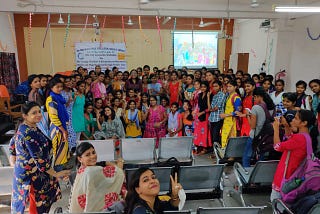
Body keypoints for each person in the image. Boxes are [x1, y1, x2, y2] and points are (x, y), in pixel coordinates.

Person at [10, 102, 70, 214]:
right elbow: (40, 161)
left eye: (39, 111)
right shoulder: (29, 133)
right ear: (25, 116)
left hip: (26, 175)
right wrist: (56, 174)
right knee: (35, 208)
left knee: (30, 207)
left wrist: (18, 167)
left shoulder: (25, 128)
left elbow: (12, 150)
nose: (38, 114)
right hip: (33, 178)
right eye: (34, 113)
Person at [270, 110, 316, 202]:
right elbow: (289, 140)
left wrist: (275, 129)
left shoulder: (299, 138)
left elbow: (277, 146)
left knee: (277, 203)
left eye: (296, 118)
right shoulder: (306, 136)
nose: (293, 120)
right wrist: (287, 126)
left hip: (285, 177)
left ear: (304, 123)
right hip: (295, 176)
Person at [70, 142, 126, 213]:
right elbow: (118, 173)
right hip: (96, 210)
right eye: (88, 155)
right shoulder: (92, 171)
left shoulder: (82, 169)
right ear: (80, 159)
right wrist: (121, 161)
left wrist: (105, 163)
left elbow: (104, 164)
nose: (93, 156)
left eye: (93, 152)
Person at [241, 87, 275, 167]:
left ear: (258, 96)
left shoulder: (256, 108)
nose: (254, 100)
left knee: (247, 157)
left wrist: (248, 116)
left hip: (255, 136)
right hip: (266, 137)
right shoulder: (272, 107)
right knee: (261, 158)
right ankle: (259, 175)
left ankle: (247, 175)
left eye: (254, 98)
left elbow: (252, 126)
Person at [46, 77, 70, 170]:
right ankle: (57, 170)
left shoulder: (59, 98)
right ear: (51, 88)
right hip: (57, 129)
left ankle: (62, 167)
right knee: (58, 149)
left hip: (61, 127)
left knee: (63, 147)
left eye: (61, 87)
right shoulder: (51, 99)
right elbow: (54, 117)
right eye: (57, 87)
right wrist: (63, 130)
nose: (60, 89)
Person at [220, 80, 242, 148]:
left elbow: (237, 112)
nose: (228, 88)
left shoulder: (236, 98)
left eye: (230, 86)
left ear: (235, 87)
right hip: (227, 121)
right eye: (227, 86)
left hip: (232, 122)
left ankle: (231, 156)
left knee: (231, 138)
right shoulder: (229, 96)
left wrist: (225, 115)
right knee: (225, 138)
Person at [193, 81, 213, 154]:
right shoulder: (200, 94)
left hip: (206, 115)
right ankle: (199, 147)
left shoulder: (210, 95)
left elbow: (209, 108)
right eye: (202, 87)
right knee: (198, 132)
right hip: (199, 115)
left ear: (207, 87)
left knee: (205, 132)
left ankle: (205, 148)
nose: (203, 88)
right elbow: (198, 105)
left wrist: (208, 97)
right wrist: (196, 113)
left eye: (205, 87)